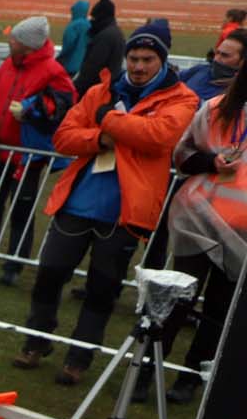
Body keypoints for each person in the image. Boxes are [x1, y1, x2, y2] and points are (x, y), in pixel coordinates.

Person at [13, 20, 199, 384]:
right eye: (133, 57)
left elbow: (158, 136)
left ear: (162, 60)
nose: (138, 66)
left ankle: (79, 359)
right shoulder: (101, 90)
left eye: (147, 59)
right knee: (49, 274)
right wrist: (102, 139)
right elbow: (65, 137)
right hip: (77, 202)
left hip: (126, 212)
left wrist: (106, 119)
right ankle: (37, 340)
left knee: (102, 289)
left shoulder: (182, 98)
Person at [0, 16, 76, 282]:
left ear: (28, 46)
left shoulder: (53, 72)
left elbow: (62, 108)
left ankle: (14, 265)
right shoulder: (8, 66)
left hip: (27, 156)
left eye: (15, 39)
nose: (9, 42)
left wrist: (31, 113)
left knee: (21, 210)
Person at [160, 62, 247, 403]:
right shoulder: (215, 110)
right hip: (198, 221)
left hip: (241, 235)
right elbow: (182, 156)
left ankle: (191, 376)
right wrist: (211, 162)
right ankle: (148, 368)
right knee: (177, 300)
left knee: (219, 309)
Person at [73, 0, 124, 99]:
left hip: (96, 93)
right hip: (107, 89)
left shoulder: (104, 37)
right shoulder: (116, 33)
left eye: (94, 17)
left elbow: (91, 69)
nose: (92, 21)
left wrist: (76, 89)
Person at [180, 30, 245, 103]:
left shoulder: (238, 94)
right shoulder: (201, 69)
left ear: (243, 61)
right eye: (217, 53)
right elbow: (172, 80)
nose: (216, 59)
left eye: (225, 55)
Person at [57, 0, 90, 79]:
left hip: (70, 66)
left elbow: (68, 45)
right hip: (85, 67)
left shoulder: (73, 26)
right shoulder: (90, 25)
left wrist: (58, 59)